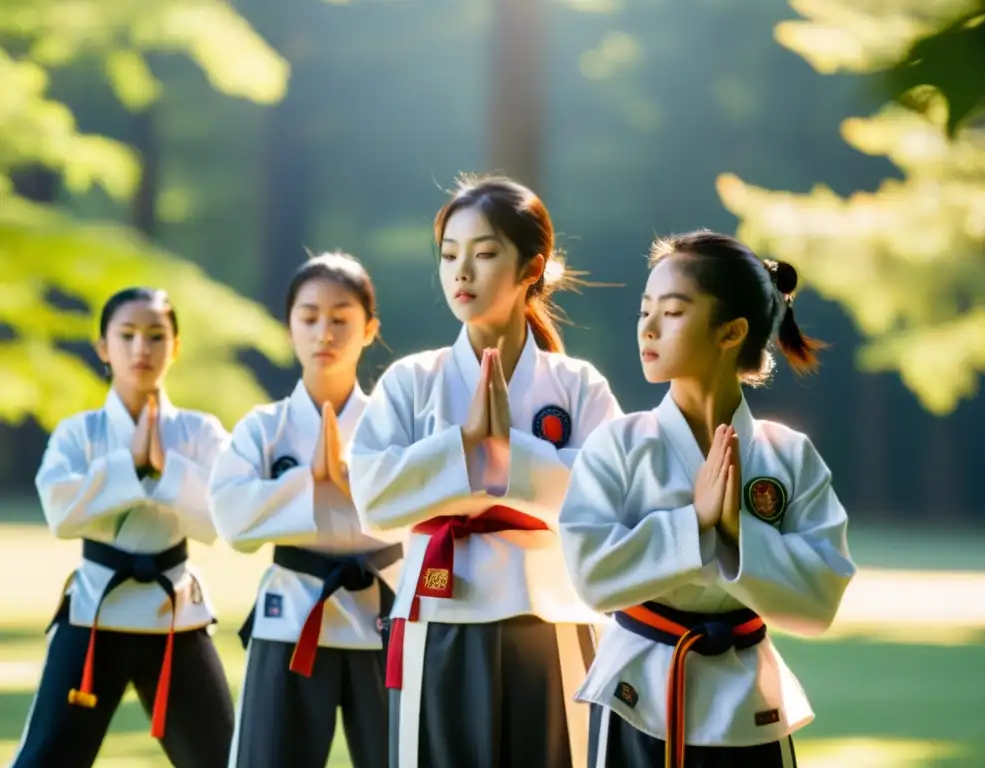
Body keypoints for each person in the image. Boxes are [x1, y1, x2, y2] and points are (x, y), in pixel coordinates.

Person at [348, 174, 622, 768]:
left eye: (485, 252)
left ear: (532, 266)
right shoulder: (410, 381)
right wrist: (462, 444)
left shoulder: (577, 386)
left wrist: (506, 459)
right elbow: (372, 501)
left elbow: (609, 503)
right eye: (449, 255)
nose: (461, 272)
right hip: (438, 613)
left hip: (550, 614)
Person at [558, 230, 857, 768]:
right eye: (644, 310)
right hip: (638, 694)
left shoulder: (788, 455)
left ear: (732, 331)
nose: (647, 328)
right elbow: (591, 577)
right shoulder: (619, 444)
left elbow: (820, 600)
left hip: (749, 697)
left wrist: (742, 534)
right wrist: (693, 521)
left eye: (672, 312)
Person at [12, 287, 234, 768]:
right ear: (102, 347)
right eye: (127, 335)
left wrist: (166, 468)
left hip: (175, 615)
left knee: (224, 758)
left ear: (175, 347)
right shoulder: (79, 431)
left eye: (156, 336)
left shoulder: (201, 432)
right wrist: (130, 467)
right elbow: (61, 514)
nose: (141, 349)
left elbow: (227, 516)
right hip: (95, 611)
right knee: (45, 758)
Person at [209, 252, 401, 768]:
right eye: (309, 317)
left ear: (369, 329)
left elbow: (426, 508)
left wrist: (352, 479)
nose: (325, 333)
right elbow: (229, 515)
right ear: (289, 326)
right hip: (291, 618)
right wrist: (308, 481)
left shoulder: (395, 422)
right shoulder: (263, 427)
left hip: (385, 616)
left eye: (341, 318)